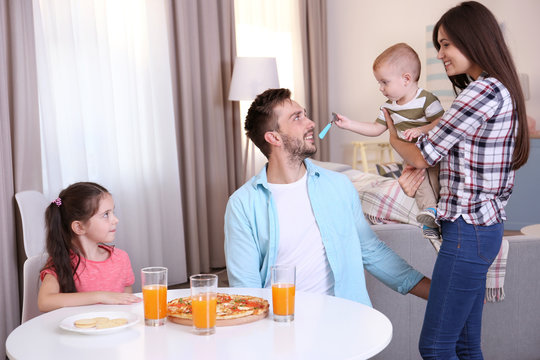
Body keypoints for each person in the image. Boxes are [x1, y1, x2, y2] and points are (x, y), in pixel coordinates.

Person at [385, 2, 529, 358]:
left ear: (473, 39)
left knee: (435, 346)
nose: (439, 54)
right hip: (479, 230)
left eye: (446, 43)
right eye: (439, 44)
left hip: (469, 231)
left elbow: (422, 156)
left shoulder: (482, 91)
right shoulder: (496, 89)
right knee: (465, 345)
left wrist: (392, 131)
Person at [224, 88, 430, 307]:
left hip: (344, 323)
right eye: (297, 118)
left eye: (305, 114)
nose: (311, 123)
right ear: (274, 137)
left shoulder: (339, 186)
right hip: (283, 327)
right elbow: (245, 290)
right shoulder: (242, 205)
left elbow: (372, 252)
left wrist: (437, 292)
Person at [333, 43, 445, 240]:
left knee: (437, 180)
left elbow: (441, 122)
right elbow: (376, 129)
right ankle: (430, 214)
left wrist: (421, 129)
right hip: (411, 158)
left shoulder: (427, 100)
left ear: (406, 79)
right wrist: (349, 124)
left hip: (432, 154)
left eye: (384, 82)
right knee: (420, 184)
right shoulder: (389, 108)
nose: (380, 88)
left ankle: (440, 213)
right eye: (379, 83)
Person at [38, 182, 141, 312]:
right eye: (105, 214)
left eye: (112, 212)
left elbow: (127, 304)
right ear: (79, 227)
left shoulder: (121, 258)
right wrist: (101, 296)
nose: (115, 220)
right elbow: (45, 302)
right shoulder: (61, 262)